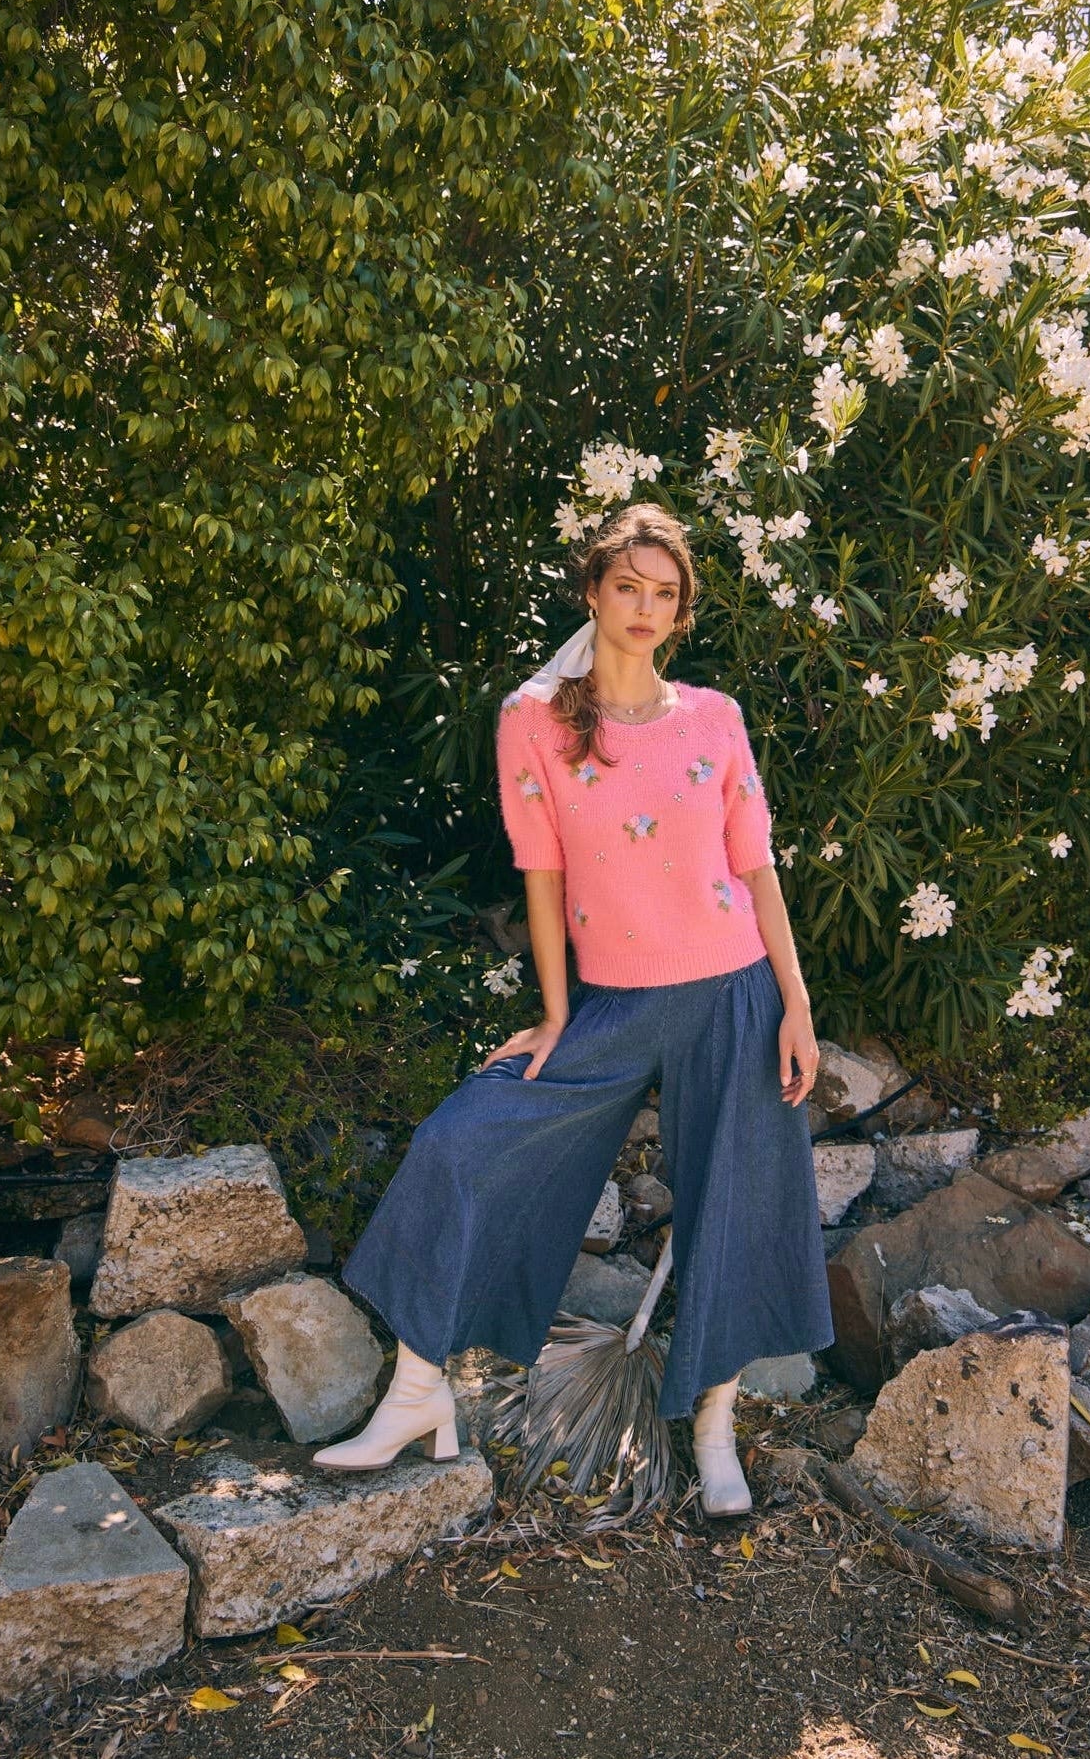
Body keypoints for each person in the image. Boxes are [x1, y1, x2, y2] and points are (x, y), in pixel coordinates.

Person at [313, 501, 834, 1516]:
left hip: (737, 991)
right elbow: (541, 872)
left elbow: (757, 869)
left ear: (681, 612)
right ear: (593, 591)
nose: (645, 608)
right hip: (616, 1001)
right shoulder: (534, 720)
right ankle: (417, 1393)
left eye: (665, 594)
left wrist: (797, 1004)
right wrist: (555, 1014)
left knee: (736, 1202)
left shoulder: (714, 717)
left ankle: (715, 1429)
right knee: (464, 1140)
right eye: (627, 586)